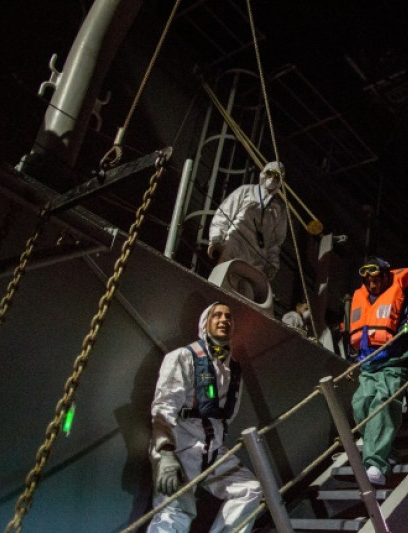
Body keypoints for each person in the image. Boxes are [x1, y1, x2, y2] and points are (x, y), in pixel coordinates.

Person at [147, 302, 262, 532]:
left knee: (250, 489)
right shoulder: (183, 357)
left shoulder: (233, 369)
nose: (223, 320)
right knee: (174, 512)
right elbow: (163, 407)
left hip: (212, 451)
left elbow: (226, 416)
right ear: (205, 323)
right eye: (216, 315)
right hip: (180, 447)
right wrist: (166, 454)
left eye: (228, 317)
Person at [348, 257, 408, 485]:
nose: (373, 285)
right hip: (368, 365)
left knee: (383, 402)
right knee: (361, 404)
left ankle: (376, 463)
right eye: (369, 281)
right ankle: (387, 452)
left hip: (395, 363)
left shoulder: (406, 298)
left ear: (386, 276)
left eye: (376, 279)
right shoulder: (360, 300)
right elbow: (355, 339)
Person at [207, 161, 288, 280]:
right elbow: (224, 213)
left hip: (257, 257)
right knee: (221, 281)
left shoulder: (278, 210)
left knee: (246, 292)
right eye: (270, 174)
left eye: (276, 177)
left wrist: (272, 263)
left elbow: (275, 241)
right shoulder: (247, 191)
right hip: (235, 244)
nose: (272, 179)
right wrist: (216, 238)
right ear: (264, 173)